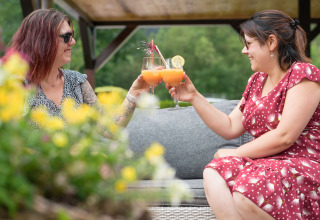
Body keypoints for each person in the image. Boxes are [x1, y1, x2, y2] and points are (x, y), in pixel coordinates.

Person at [168, 9, 320, 219]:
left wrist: (236, 153)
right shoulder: (257, 81)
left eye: (248, 44)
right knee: (214, 172)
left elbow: (285, 136)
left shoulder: (303, 75)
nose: (244, 51)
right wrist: (194, 97)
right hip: (264, 165)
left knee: (246, 193)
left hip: (299, 164)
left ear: (271, 42)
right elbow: (230, 126)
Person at [8, 8, 150, 131]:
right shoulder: (17, 85)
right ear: (42, 40)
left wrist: (134, 93)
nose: (73, 42)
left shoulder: (77, 81)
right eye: (66, 37)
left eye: (73, 35)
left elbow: (109, 127)